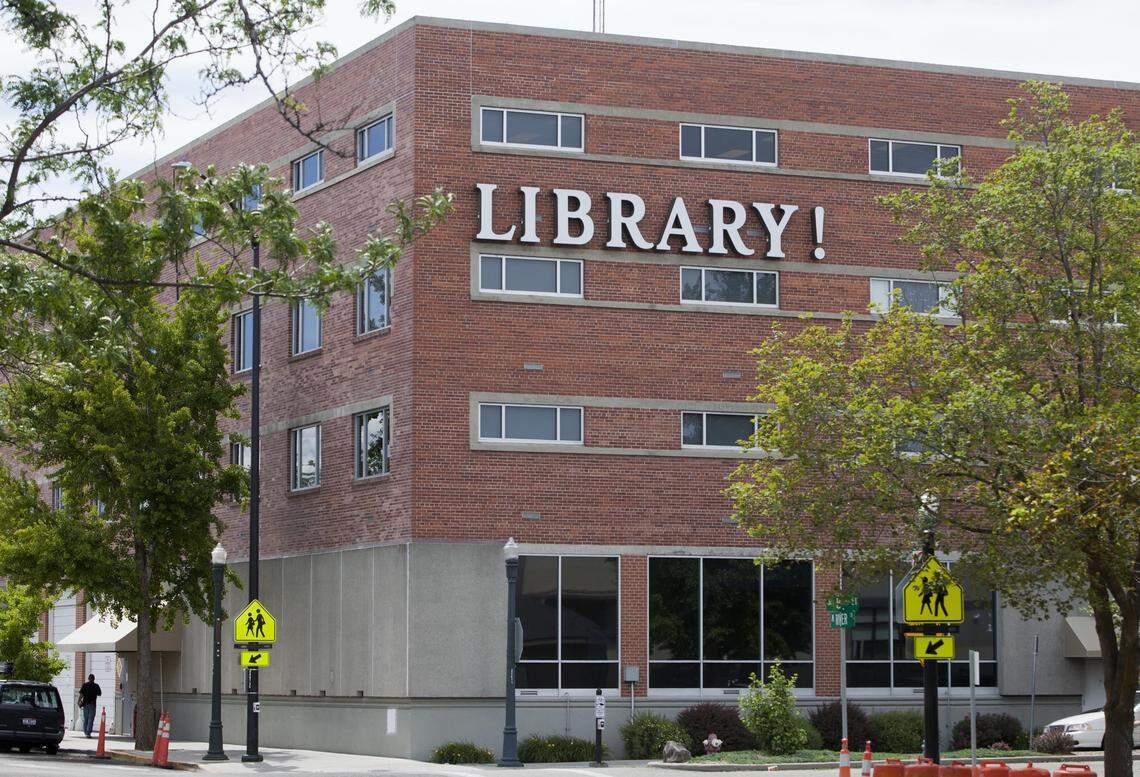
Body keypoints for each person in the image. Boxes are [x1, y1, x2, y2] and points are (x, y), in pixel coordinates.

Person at [78, 673, 102, 738]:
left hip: (85, 704)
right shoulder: (96, 686)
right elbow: (99, 694)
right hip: (92, 704)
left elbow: (81, 694)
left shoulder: (85, 685)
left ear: (88, 679)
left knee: (86, 719)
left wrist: (78, 702)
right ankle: (88, 733)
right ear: (94, 679)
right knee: (90, 719)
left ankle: (86, 732)